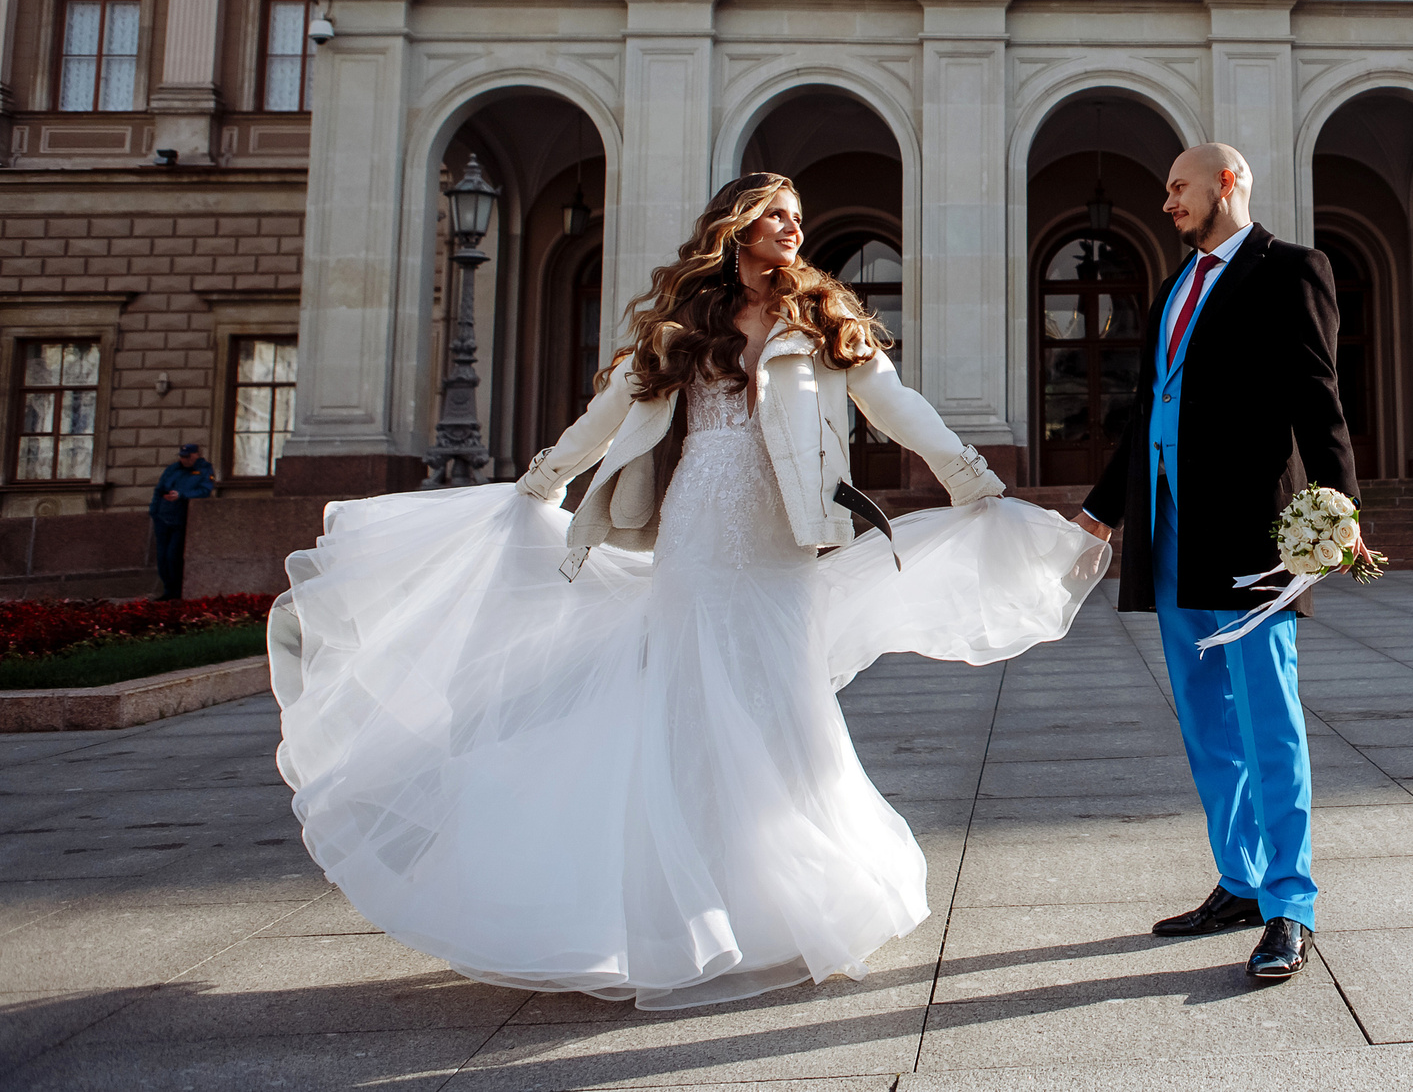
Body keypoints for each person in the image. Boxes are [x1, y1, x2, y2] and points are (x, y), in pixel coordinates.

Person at [267, 173, 1110, 1010]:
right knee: (690, 705)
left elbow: (894, 403)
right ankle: (690, 904)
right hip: (698, 526)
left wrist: (970, 477)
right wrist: (542, 481)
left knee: (783, 701)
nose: (792, 228)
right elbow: (609, 413)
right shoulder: (686, 323)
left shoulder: (821, 314)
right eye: (775, 215)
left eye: (798, 218)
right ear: (736, 228)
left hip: (783, 535)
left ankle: (787, 894)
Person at [1077, 143, 1358, 982]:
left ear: (1226, 183)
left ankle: (1289, 904)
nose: (1166, 202)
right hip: (1169, 538)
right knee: (1206, 723)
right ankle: (1238, 879)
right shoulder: (1175, 284)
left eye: (1177, 187)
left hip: (1249, 543)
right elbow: (1146, 409)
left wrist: (1339, 511)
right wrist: (1102, 509)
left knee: (1269, 719)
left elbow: (1319, 395)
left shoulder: (1291, 268)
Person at [149, 443, 216, 600]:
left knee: (173, 555)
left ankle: (177, 591)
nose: (184, 460)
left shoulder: (204, 469)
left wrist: (181, 494)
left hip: (182, 517)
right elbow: (159, 490)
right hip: (163, 516)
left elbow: (204, 491)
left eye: (187, 457)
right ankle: (168, 590)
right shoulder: (173, 469)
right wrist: (154, 511)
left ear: (196, 455)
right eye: (182, 457)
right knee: (162, 557)